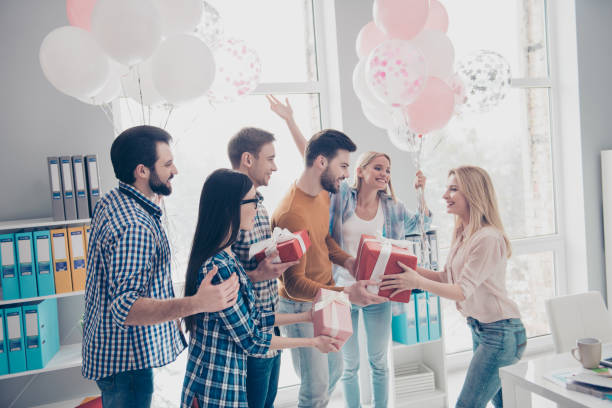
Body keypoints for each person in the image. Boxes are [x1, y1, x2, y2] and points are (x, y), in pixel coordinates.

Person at [268, 95, 432, 408]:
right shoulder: (339, 195)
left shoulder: (392, 208)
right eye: (378, 167)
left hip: (371, 291)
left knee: (367, 363)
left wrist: (421, 192)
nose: (384, 173)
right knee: (344, 367)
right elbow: (314, 158)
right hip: (336, 291)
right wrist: (290, 121)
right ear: (359, 171)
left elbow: (422, 222)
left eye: (388, 169)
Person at [82, 126, 240, 408]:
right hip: (125, 363)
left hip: (113, 354)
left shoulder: (114, 200)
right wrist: (196, 303)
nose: (175, 170)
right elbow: (126, 307)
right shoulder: (134, 226)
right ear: (142, 171)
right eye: (167, 164)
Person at [181, 169, 340, 408]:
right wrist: (313, 342)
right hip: (214, 390)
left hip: (228, 385)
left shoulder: (229, 258)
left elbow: (255, 318)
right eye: (252, 201)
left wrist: (308, 316)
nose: (258, 207)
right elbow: (252, 339)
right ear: (230, 208)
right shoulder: (218, 268)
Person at [379, 166, 526, 408]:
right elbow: (446, 276)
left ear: (474, 194)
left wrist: (417, 282)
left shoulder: (487, 238)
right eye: (447, 189)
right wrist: (406, 267)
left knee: (466, 404)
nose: (445, 195)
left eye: (453, 189)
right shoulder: (463, 233)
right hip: (483, 330)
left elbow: (460, 290)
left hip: (501, 333)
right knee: (504, 404)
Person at [270, 124, 387, 408]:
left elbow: (323, 238)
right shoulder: (291, 213)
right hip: (301, 305)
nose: (347, 174)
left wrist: (347, 260)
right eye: (343, 165)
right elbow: (295, 283)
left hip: (328, 297)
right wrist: (347, 292)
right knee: (315, 390)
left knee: (334, 372)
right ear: (322, 162)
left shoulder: (323, 192)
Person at [228, 127, 298, 408]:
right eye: (269, 159)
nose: (275, 166)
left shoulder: (261, 206)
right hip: (249, 335)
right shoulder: (231, 206)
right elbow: (219, 275)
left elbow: (252, 258)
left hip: (271, 322)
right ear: (248, 159)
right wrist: (258, 275)